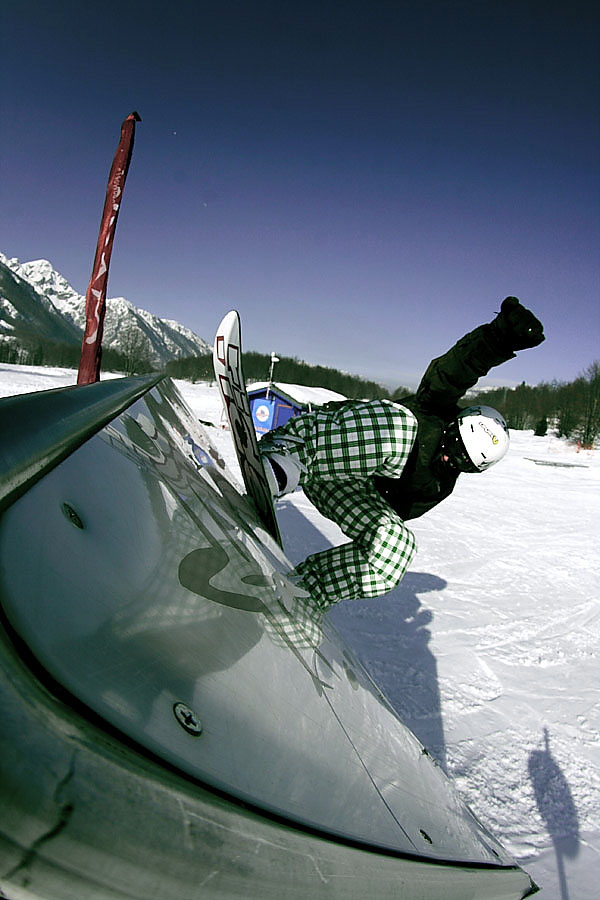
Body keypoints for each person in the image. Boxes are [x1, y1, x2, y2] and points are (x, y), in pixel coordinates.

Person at [258, 297, 545, 613]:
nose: (452, 461)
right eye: (455, 448)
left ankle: (307, 592)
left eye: (466, 463)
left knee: (399, 546)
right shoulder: (434, 408)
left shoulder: (438, 486)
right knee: (403, 427)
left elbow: (389, 517)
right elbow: (454, 371)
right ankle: (284, 458)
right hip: (325, 446)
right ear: (454, 426)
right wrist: (498, 337)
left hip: (344, 488)